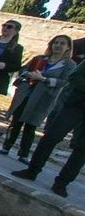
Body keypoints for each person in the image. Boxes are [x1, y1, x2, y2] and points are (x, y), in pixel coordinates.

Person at [0, 35, 74, 163]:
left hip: (43, 98)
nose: (58, 45)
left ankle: (24, 154)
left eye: (62, 43)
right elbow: (23, 70)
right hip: (26, 94)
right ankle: (6, 147)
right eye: (56, 42)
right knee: (16, 122)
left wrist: (44, 79)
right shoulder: (40, 58)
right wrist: (28, 74)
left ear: (68, 47)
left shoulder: (69, 65)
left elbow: (65, 81)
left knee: (30, 126)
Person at [12, 59, 85, 197]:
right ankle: (32, 171)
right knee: (51, 136)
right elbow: (74, 76)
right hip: (76, 104)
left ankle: (62, 183)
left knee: (82, 149)